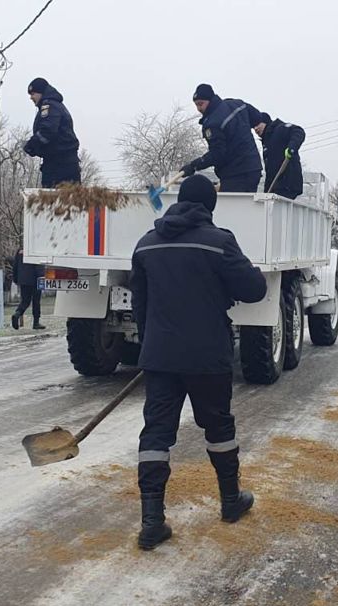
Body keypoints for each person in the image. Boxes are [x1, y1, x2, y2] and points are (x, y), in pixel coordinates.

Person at [129, 174, 267, 550]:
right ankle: (230, 501)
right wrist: (250, 272)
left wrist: (151, 345)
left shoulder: (145, 245)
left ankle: (152, 522)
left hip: (161, 356)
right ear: (210, 206)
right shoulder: (219, 242)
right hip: (208, 356)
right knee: (218, 427)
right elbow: (254, 290)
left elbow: (140, 304)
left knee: (156, 434)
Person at [180, 84, 262, 193]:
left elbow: (217, 154)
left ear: (210, 99)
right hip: (254, 167)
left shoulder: (212, 123)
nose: (199, 109)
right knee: (246, 201)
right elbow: (257, 117)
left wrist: (193, 166)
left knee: (232, 204)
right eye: (196, 105)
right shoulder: (237, 105)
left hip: (235, 173)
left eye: (201, 104)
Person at [22, 78, 81, 187]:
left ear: (41, 93)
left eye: (33, 94)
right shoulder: (55, 106)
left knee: (54, 196)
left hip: (59, 165)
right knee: (70, 196)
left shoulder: (50, 106)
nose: (31, 97)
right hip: (64, 162)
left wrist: (31, 146)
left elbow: (47, 132)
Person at [250, 110, 306, 199]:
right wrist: (266, 191)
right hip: (274, 188)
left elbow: (298, 131)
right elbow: (270, 170)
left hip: (287, 184)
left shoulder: (280, 129)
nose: (255, 129)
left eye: (257, 125)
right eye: (253, 127)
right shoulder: (266, 141)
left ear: (265, 122)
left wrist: (291, 148)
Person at [11, 248, 45, 330]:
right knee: (36, 301)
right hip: (35, 279)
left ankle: (17, 314)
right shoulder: (36, 249)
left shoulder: (20, 251)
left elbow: (15, 266)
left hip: (23, 280)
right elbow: (39, 265)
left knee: (25, 301)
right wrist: (42, 276)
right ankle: (36, 323)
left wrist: (16, 279)